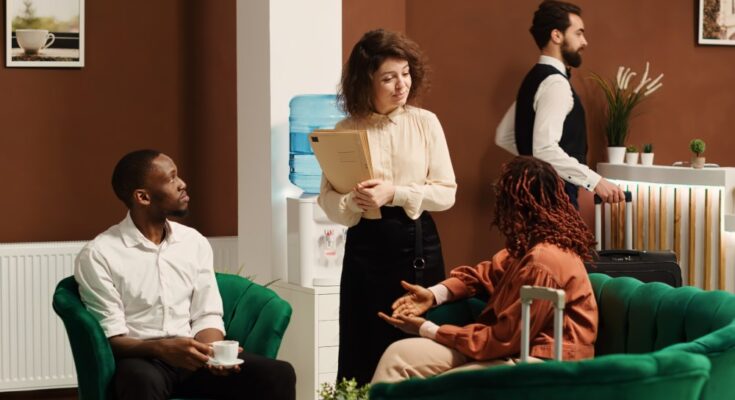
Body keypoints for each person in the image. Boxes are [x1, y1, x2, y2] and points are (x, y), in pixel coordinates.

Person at [75, 149, 296, 400]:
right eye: (171, 179)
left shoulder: (193, 242)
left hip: (194, 358)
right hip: (144, 359)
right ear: (143, 197)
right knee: (139, 381)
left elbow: (207, 313)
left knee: (278, 373)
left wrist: (212, 352)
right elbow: (111, 337)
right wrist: (162, 348)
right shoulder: (100, 254)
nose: (182, 184)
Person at [372, 156, 598, 383]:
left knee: (444, 385)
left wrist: (428, 329)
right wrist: (433, 295)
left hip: (541, 361)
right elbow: (482, 275)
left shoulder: (544, 260)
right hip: (508, 350)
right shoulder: (528, 248)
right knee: (398, 356)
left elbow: (504, 339)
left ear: (518, 207)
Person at [318, 29, 457, 385]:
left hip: (416, 244)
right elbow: (329, 204)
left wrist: (394, 193)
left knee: (416, 346)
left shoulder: (425, 123)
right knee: (361, 344)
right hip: (364, 247)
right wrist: (353, 201)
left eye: (406, 74)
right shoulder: (345, 129)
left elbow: (446, 193)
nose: (401, 85)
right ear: (366, 82)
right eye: (389, 77)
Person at [495, 0, 625, 209]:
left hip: (532, 196)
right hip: (555, 197)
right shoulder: (556, 84)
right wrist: (596, 181)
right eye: (578, 33)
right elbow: (544, 149)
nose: (585, 41)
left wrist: (533, 168)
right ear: (557, 36)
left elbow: (505, 135)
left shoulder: (533, 79)